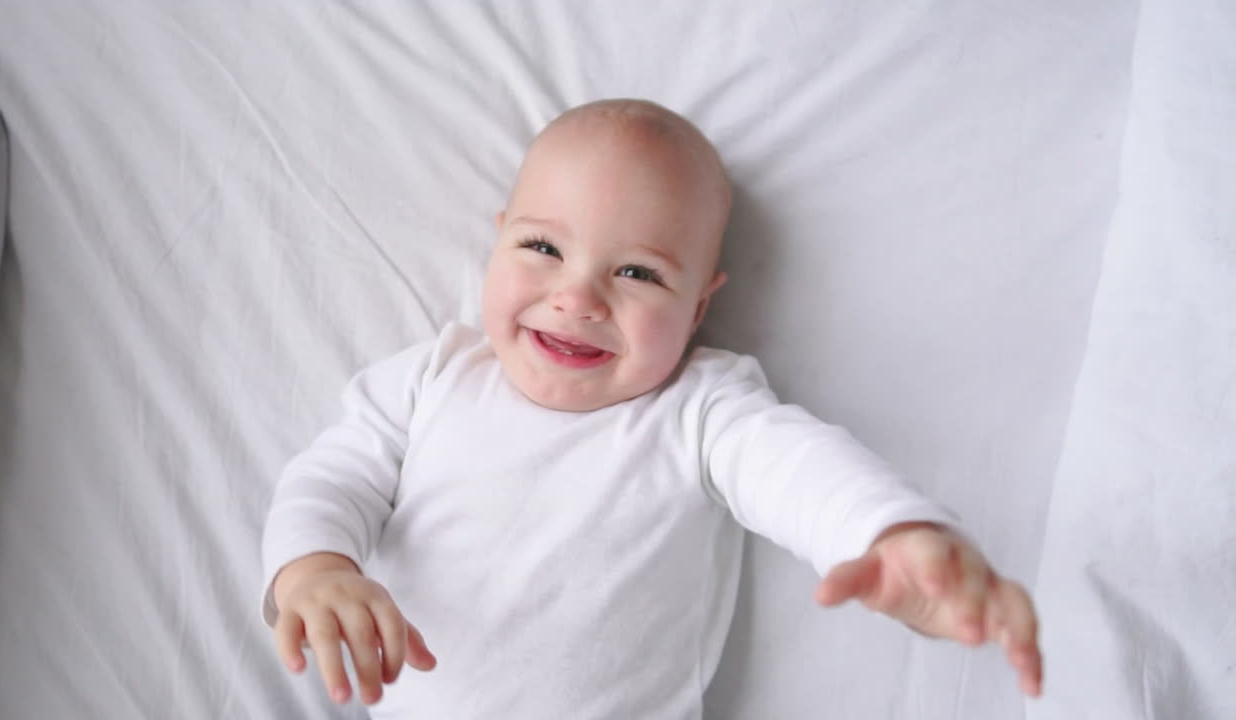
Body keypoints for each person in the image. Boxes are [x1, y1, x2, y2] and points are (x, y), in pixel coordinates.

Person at [260, 98, 1043, 718]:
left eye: (637, 272)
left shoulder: (701, 409)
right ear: (497, 241)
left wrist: (888, 532)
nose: (577, 298)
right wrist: (315, 570)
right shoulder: (434, 378)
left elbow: (797, 470)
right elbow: (332, 479)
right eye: (542, 248)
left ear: (699, 306)